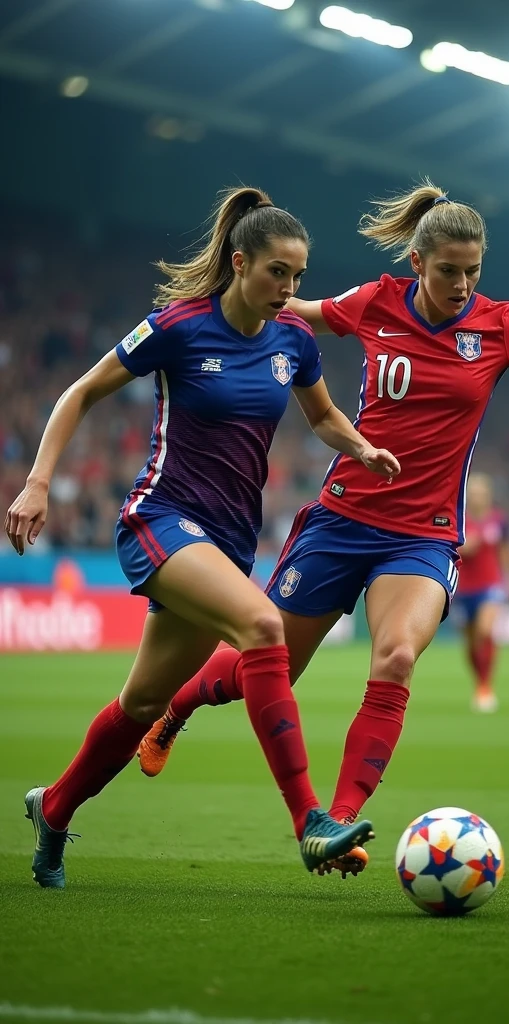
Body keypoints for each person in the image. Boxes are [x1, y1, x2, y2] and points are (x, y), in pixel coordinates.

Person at [136, 179, 509, 876]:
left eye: (472, 271)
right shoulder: (373, 303)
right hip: (339, 521)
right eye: (447, 270)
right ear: (416, 264)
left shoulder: (502, 327)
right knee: (263, 669)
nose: (461, 284)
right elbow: (287, 308)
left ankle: (336, 825)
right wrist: (220, 302)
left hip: (422, 536)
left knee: (394, 659)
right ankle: (173, 712)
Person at [4, 185, 402, 889]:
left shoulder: (295, 341)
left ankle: (54, 809)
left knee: (143, 704)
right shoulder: (179, 326)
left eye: (299, 276)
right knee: (260, 624)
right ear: (241, 262)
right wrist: (38, 482)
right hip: (159, 520)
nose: (289, 288)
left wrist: (362, 448)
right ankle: (310, 821)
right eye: (278, 271)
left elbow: (324, 417)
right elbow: (80, 393)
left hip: (226, 539)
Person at [453, 472, 509, 713]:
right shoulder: (459, 519)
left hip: (491, 585)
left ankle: (485, 686)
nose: (477, 497)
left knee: (485, 630)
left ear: (488, 495)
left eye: (481, 493)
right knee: (471, 642)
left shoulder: (499, 520)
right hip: (463, 588)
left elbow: (507, 551)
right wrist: (463, 547)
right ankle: (479, 682)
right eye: (473, 493)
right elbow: (448, 546)